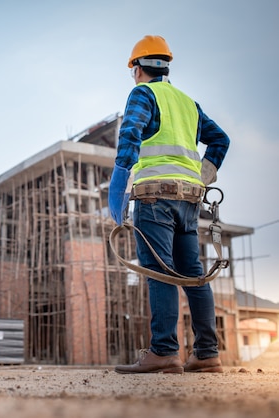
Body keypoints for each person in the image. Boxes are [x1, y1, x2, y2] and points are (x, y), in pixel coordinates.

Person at [108, 35, 230, 374]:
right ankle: (206, 354)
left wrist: (119, 182)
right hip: (189, 200)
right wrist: (201, 178)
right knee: (193, 273)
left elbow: (131, 134)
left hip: (154, 197)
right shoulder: (188, 103)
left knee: (159, 271)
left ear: (137, 69)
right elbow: (220, 139)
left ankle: (164, 351)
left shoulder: (143, 93)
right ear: (166, 66)